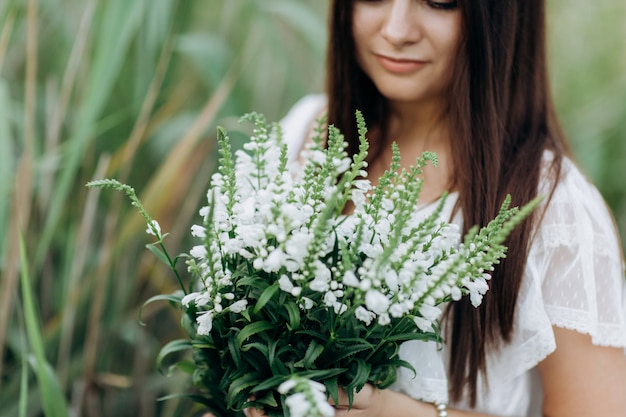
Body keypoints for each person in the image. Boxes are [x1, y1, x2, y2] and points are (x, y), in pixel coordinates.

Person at [275, 0, 626, 416]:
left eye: (440, 2)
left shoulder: (553, 208)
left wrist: (404, 413)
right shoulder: (303, 134)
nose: (397, 30)